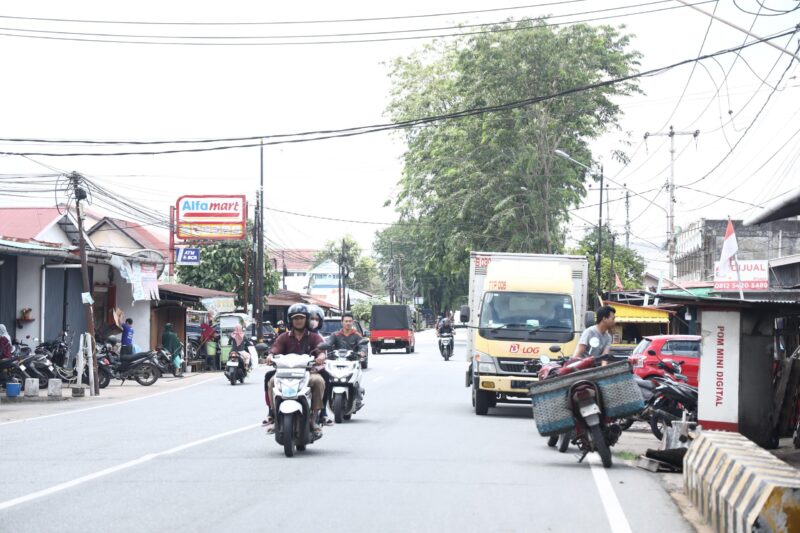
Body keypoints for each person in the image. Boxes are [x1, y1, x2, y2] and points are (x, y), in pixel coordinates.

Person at [265, 303, 326, 437]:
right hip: (285, 374)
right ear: (290, 320)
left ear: (306, 319)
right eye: (295, 318)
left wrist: (321, 357)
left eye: (301, 318)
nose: (298, 321)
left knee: (319, 381)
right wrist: (270, 356)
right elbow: (275, 349)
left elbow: (321, 350)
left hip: (307, 374)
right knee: (271, 382)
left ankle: (314, 418)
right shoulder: (284, 337)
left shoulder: (314, 337)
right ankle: (274, 416)